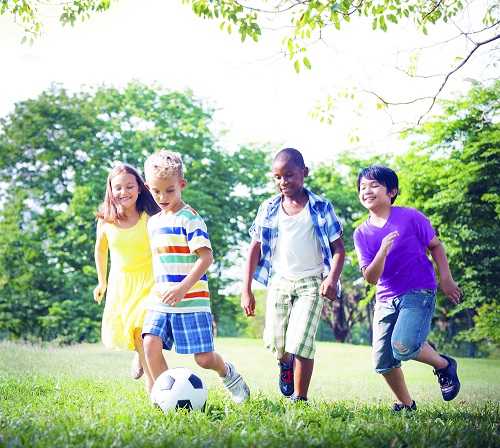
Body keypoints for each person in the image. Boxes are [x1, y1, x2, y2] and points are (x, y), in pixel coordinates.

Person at [141, 149, 250, 404]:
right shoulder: (153, 223)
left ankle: (230, 375)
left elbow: (206, 258)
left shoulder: (190, 219)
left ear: (181, 185)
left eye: (170, 190)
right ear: (148, 187)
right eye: (156, 191)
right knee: (149, 345)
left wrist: (182, 288)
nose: (162, 197)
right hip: (161, 300)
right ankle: (166, 399)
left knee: (203, 359)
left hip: (191, 300)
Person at [353, 165, 461, 412]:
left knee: (403, 345)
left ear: (392, 191)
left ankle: (444, 365)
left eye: (374, 185)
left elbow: (436, 246)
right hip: (385, 299)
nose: (367, 190)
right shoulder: (361, 233)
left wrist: (446, 279)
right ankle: (406, 404)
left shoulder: (411, 217)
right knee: (383, 361)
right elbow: (370, 277)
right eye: (362, 187)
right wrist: (382, 251)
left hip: (418, 291)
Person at [241, 148, 345, 402]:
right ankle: (284, 363)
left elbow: (339, 249)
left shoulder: (320, 207)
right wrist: (246, 289)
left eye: (289, 175)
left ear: (304, 173)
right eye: (277, 177)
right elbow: (255, 248)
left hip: (312, 283)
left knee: (301, 341)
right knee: (277, 342)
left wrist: (331, 278)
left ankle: (300, 397)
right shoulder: (268, 208)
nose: (283, 182)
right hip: (279, 281)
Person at [94, 163, 160, 393]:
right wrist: (101, 281)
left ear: (140, 188)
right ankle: (139, 356)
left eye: (130, 186)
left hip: (150, 281)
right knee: (133, 330)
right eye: (118, 187)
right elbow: (100, 250)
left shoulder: (150, 216)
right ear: (111, 190)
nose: (124, 192)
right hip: (122, 284)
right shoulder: (106, 219)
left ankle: (153, 388)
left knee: (143, 328)